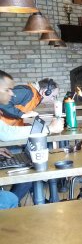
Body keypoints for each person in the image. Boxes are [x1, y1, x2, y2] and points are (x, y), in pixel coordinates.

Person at [0, 71, 63, 205]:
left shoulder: (34, 97)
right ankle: (14, 202)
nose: (12, 93)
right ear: (45, 91)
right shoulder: (27, 92)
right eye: (8, 90)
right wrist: (22, 115)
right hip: (8, 138)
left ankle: (31, 199)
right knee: (31, 165)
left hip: (7, 138)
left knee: (32, 160)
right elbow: (5, 130)